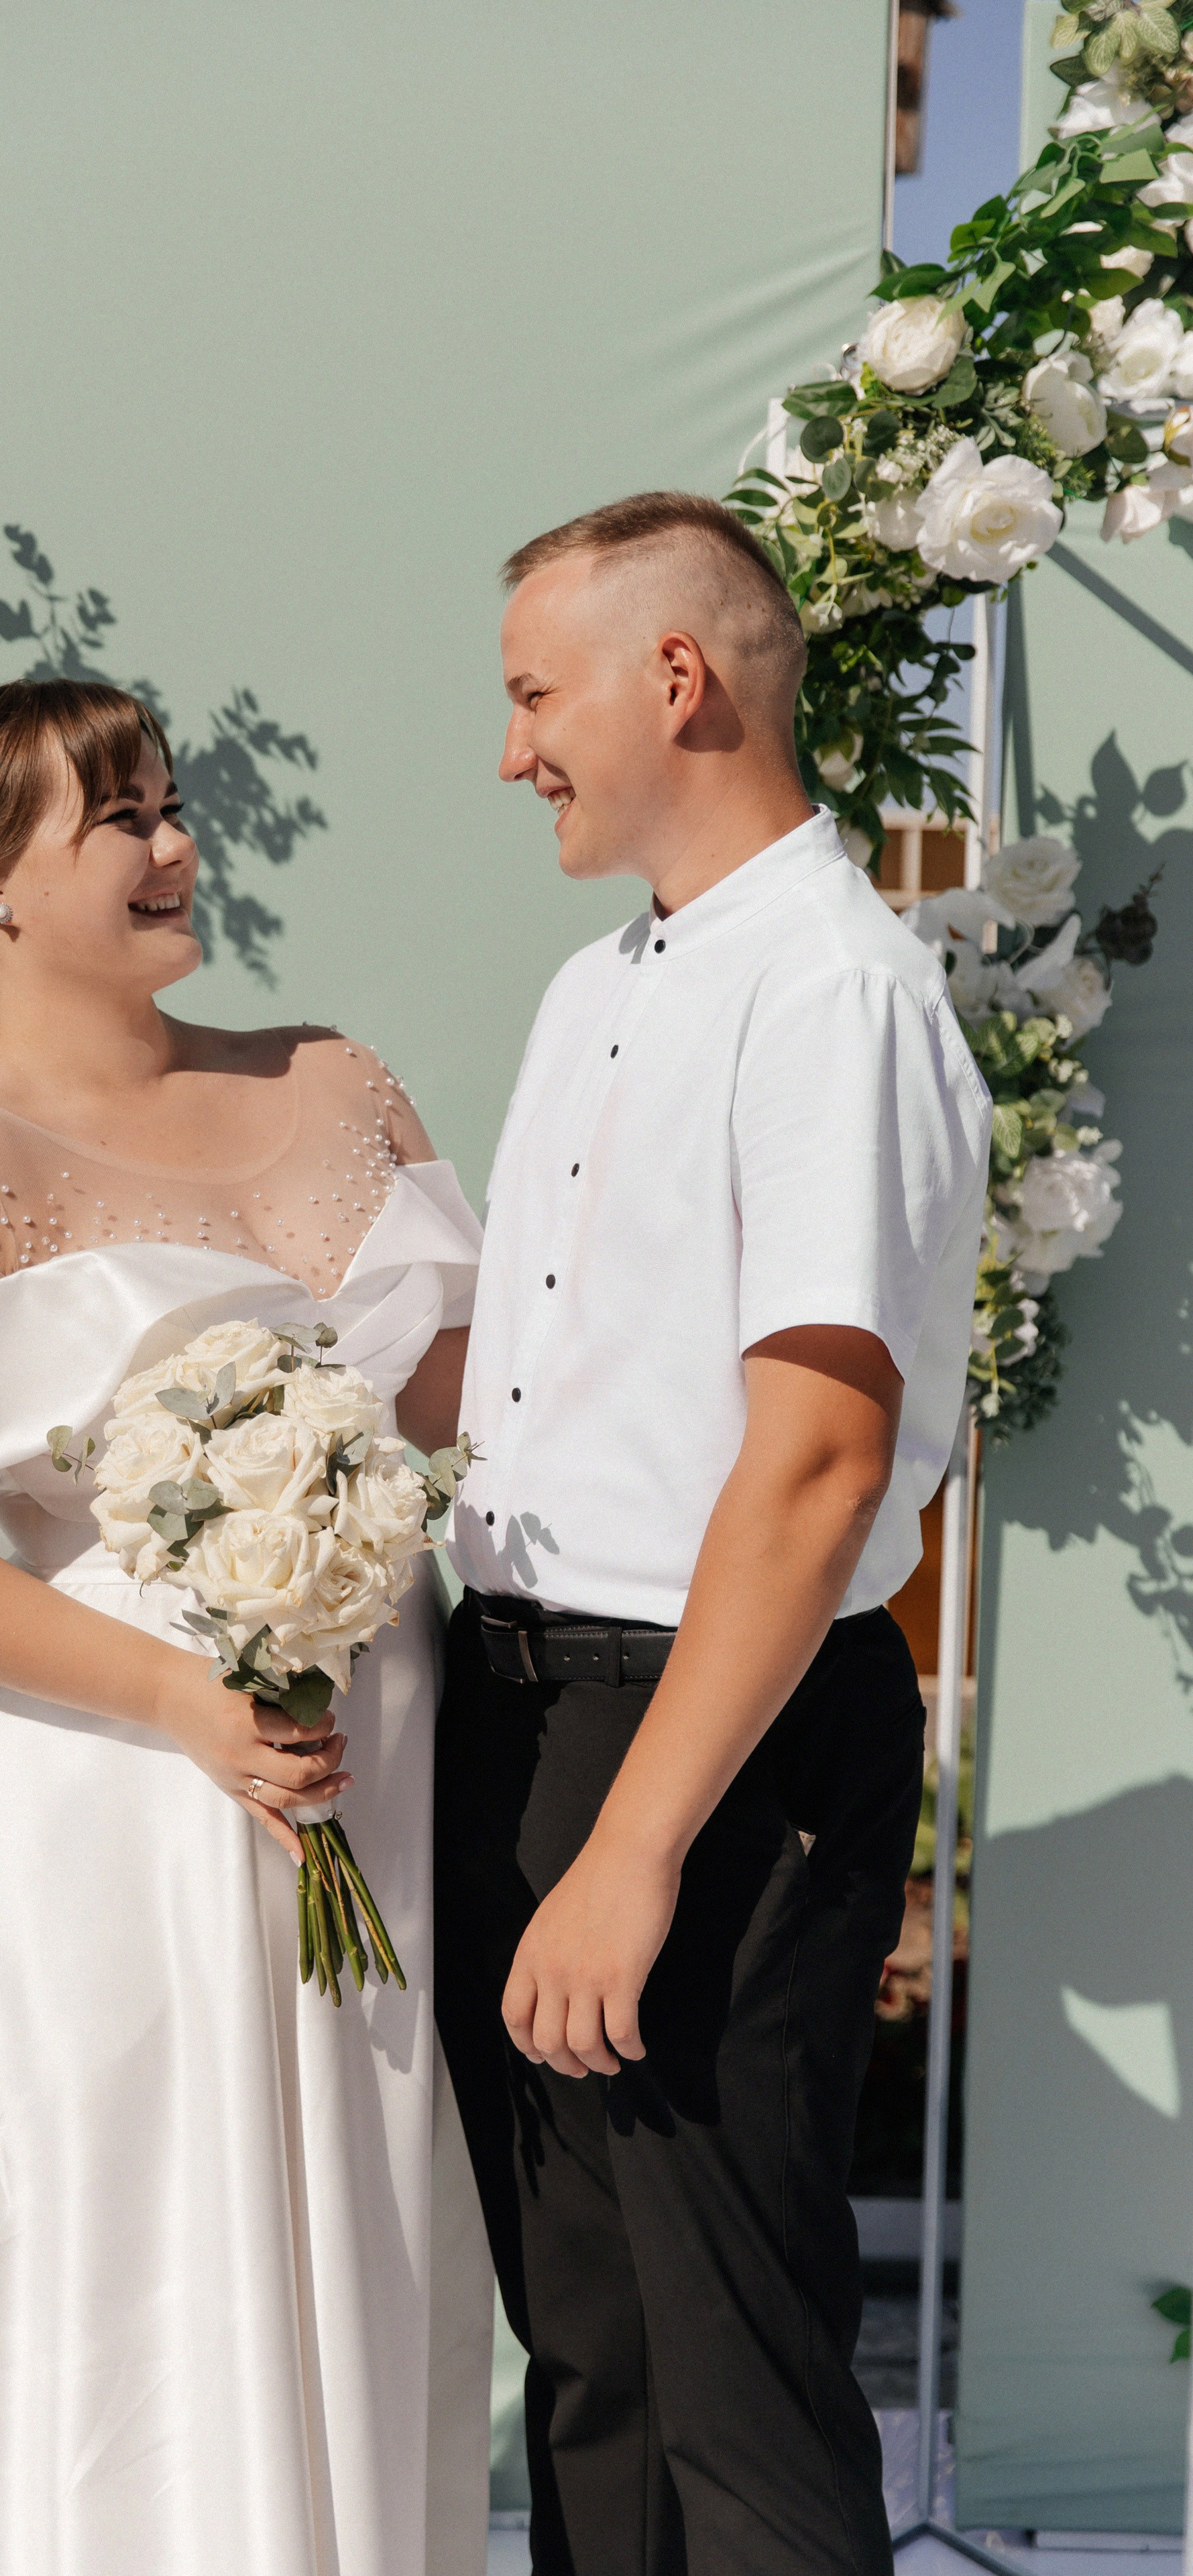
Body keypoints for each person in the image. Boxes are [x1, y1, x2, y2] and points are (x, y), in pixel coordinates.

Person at [0, 678, 495, 2576]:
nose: (176, 846)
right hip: (117, 1798)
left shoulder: (335, 1081)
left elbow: (474, 1419)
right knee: (138, 2261)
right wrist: (183, 1699)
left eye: (172, 805)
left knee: (365, 2223)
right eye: (124, 820)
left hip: (377, 1768)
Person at [435, 493, 991, 2575]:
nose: (512, 752)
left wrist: (635, 1845)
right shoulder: (595, 986)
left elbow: (823, 1463)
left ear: (676, 679)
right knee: (593, 2350)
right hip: (531, 1701)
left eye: (534, 695)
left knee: (735, 2376)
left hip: (712, 1737)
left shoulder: (833, 994)